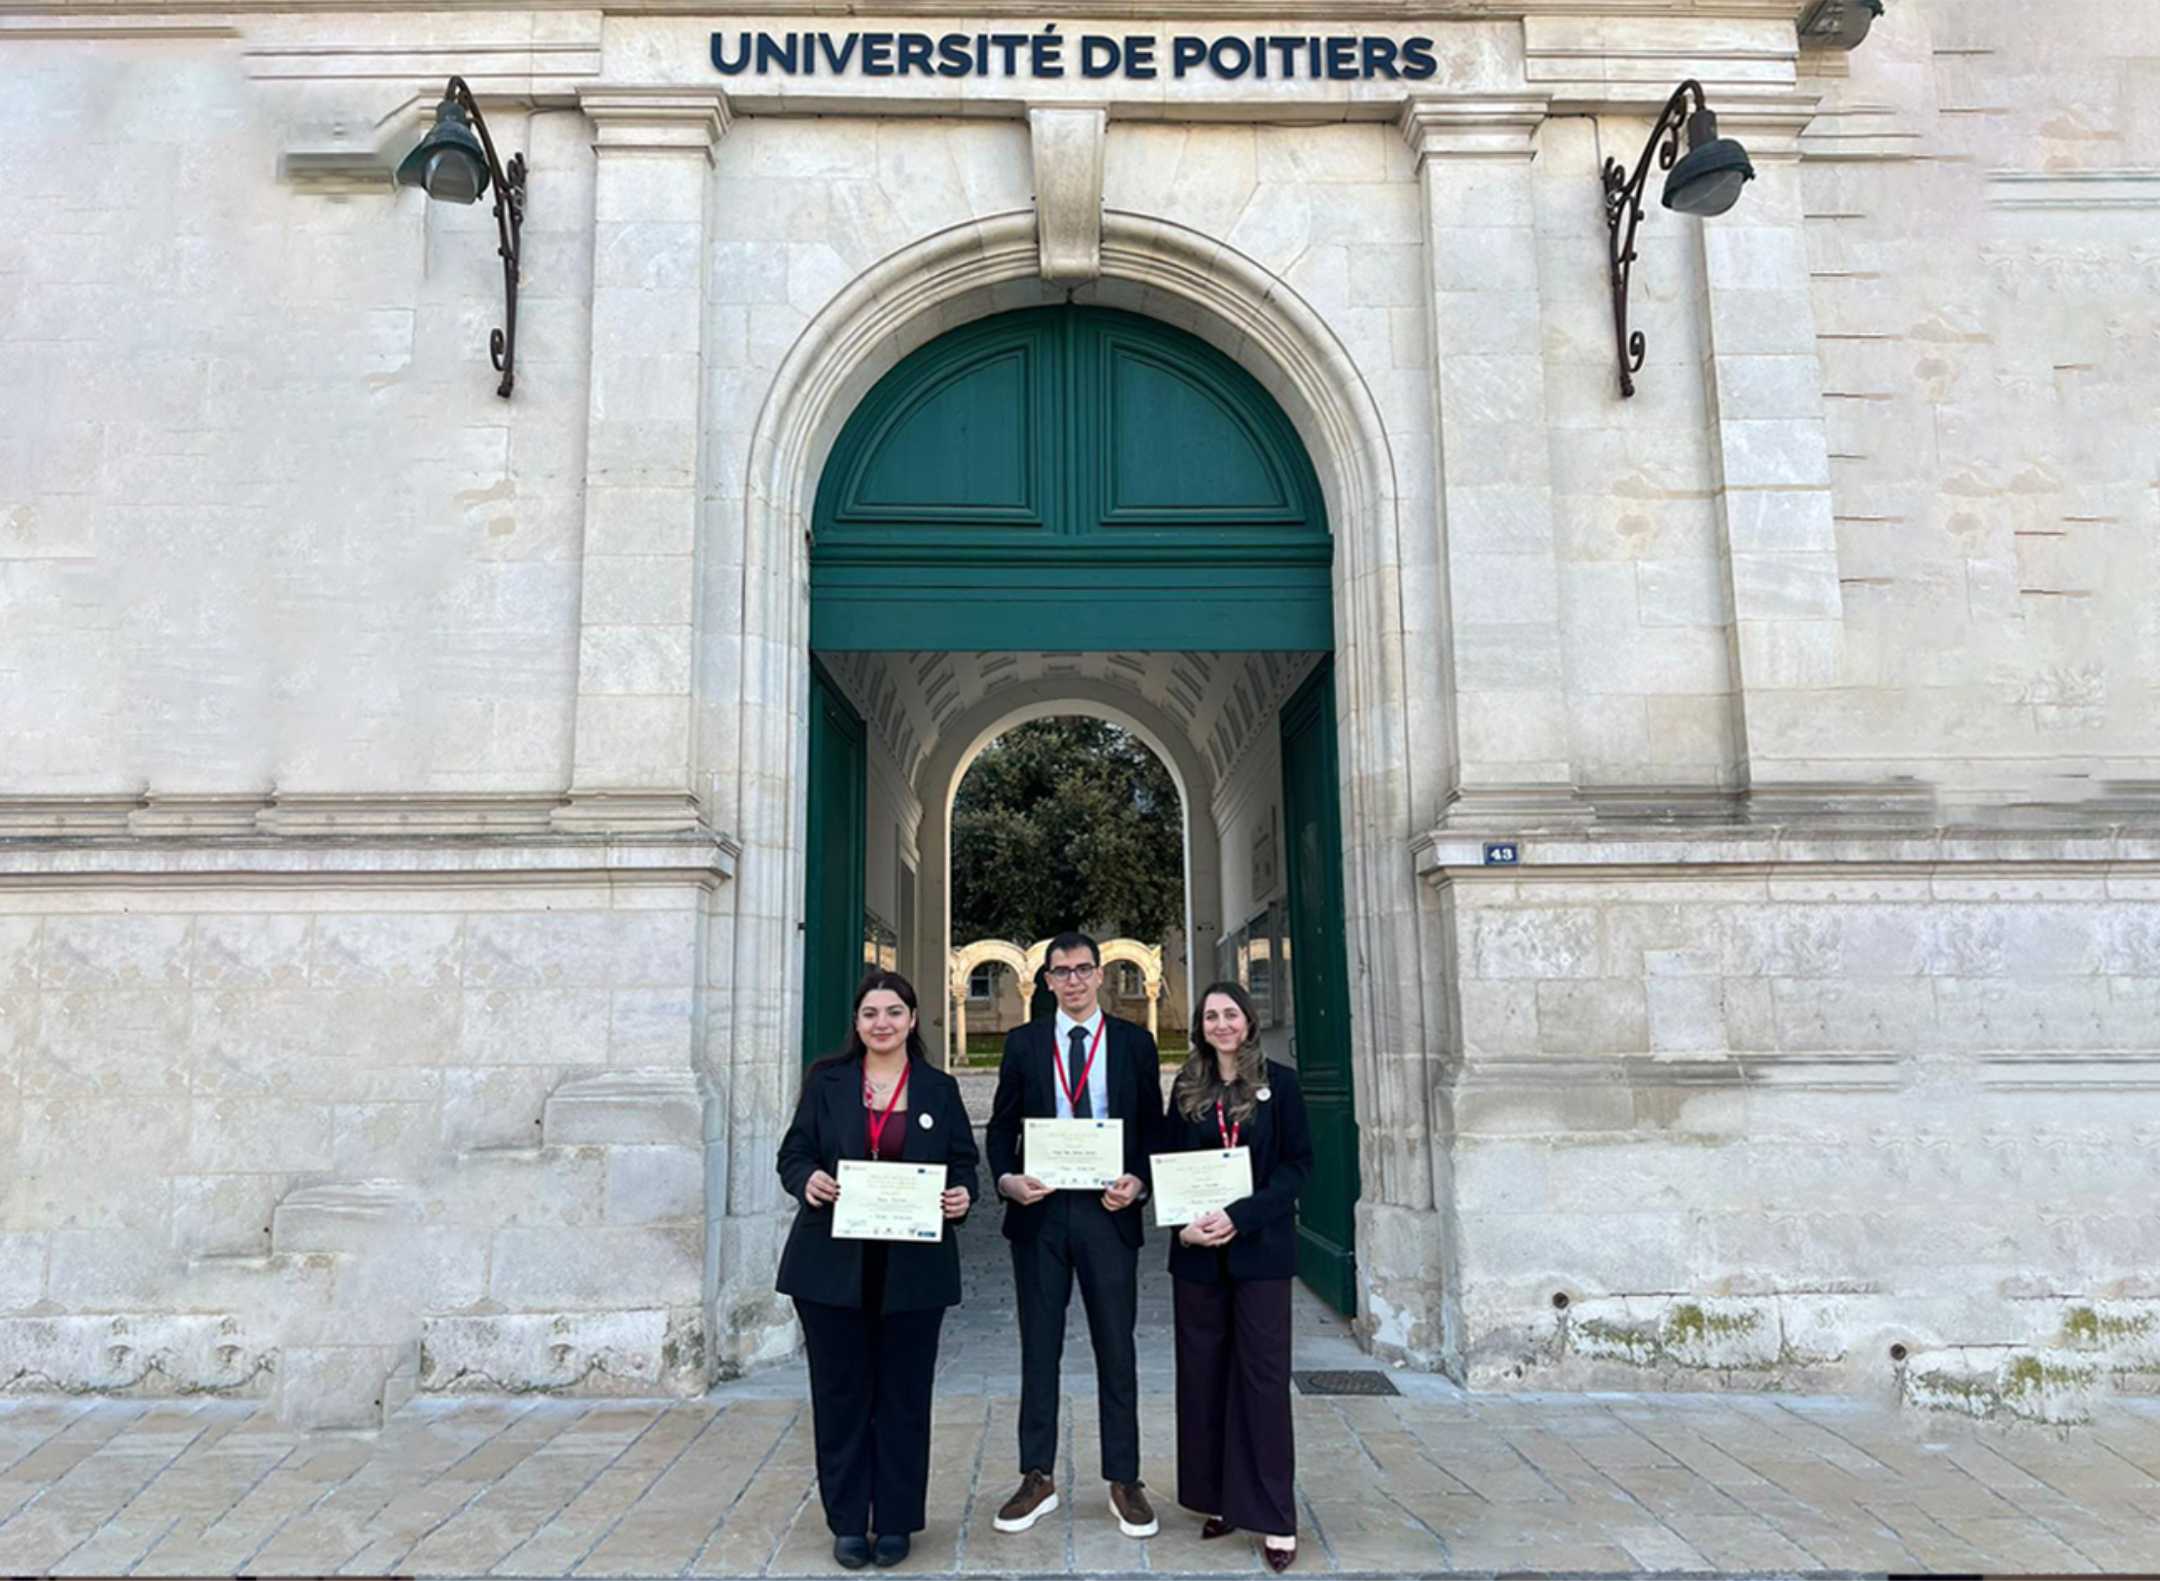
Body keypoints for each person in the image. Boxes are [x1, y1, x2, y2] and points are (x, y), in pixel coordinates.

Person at [776, 970, 979, 1570]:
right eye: (870, 1013)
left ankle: (894, 1520)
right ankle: (847, 1521)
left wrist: (962, 1196)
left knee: (903, 1400)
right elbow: (794, 1152)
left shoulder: (939, 1089)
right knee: (839, 1398)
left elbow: (963, 1163)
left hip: (913, 1271)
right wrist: (807, 1179)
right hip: (830, 1267)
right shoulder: (827, 1081)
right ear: (857, 1022)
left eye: (894, 1012)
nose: (882, 1023)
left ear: (912, 1020)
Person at [985, 931, 1164, 1539]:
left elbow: (1153, 1127)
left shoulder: (1135, 1044)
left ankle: (1124, 1479)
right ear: (1047, 982)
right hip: (1040, 1212)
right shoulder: (1024, 1043)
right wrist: (1006, 1180)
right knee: (1039, 1346)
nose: (1074, 981)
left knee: (1116, 1346)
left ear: (1100, 975)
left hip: (1108, 1213)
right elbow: (1000, 1127)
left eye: (1083, 969)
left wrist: (1139, 1180)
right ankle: (1037, 1476)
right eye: (1061, 972)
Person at [1163, 980, 1312, 1572]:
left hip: (1260, 1253)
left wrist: (1240, 1217)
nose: (1221, 1024)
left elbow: (1297, 1167)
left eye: (1230, 1014)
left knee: (1263, 1379)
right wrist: (1183, 1227)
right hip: (1199, 1255)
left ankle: (1275, 1515)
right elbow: (1168, 1160)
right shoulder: (1186, 1085)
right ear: (1200, 1028)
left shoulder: (1282, 1084)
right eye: (1210, 1016)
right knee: (1204, 1376)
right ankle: (1221, 1499)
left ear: (1248, 1021)